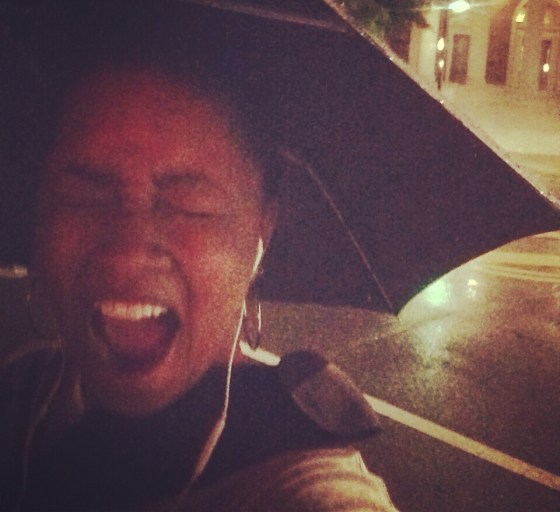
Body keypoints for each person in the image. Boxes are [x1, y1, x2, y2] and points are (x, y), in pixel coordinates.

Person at [0, 64, 399, 511]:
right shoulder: (20, 391)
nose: (127, 253)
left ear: (262, 230)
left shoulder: (310, 490)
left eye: (188, 204)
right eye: (83, 196)